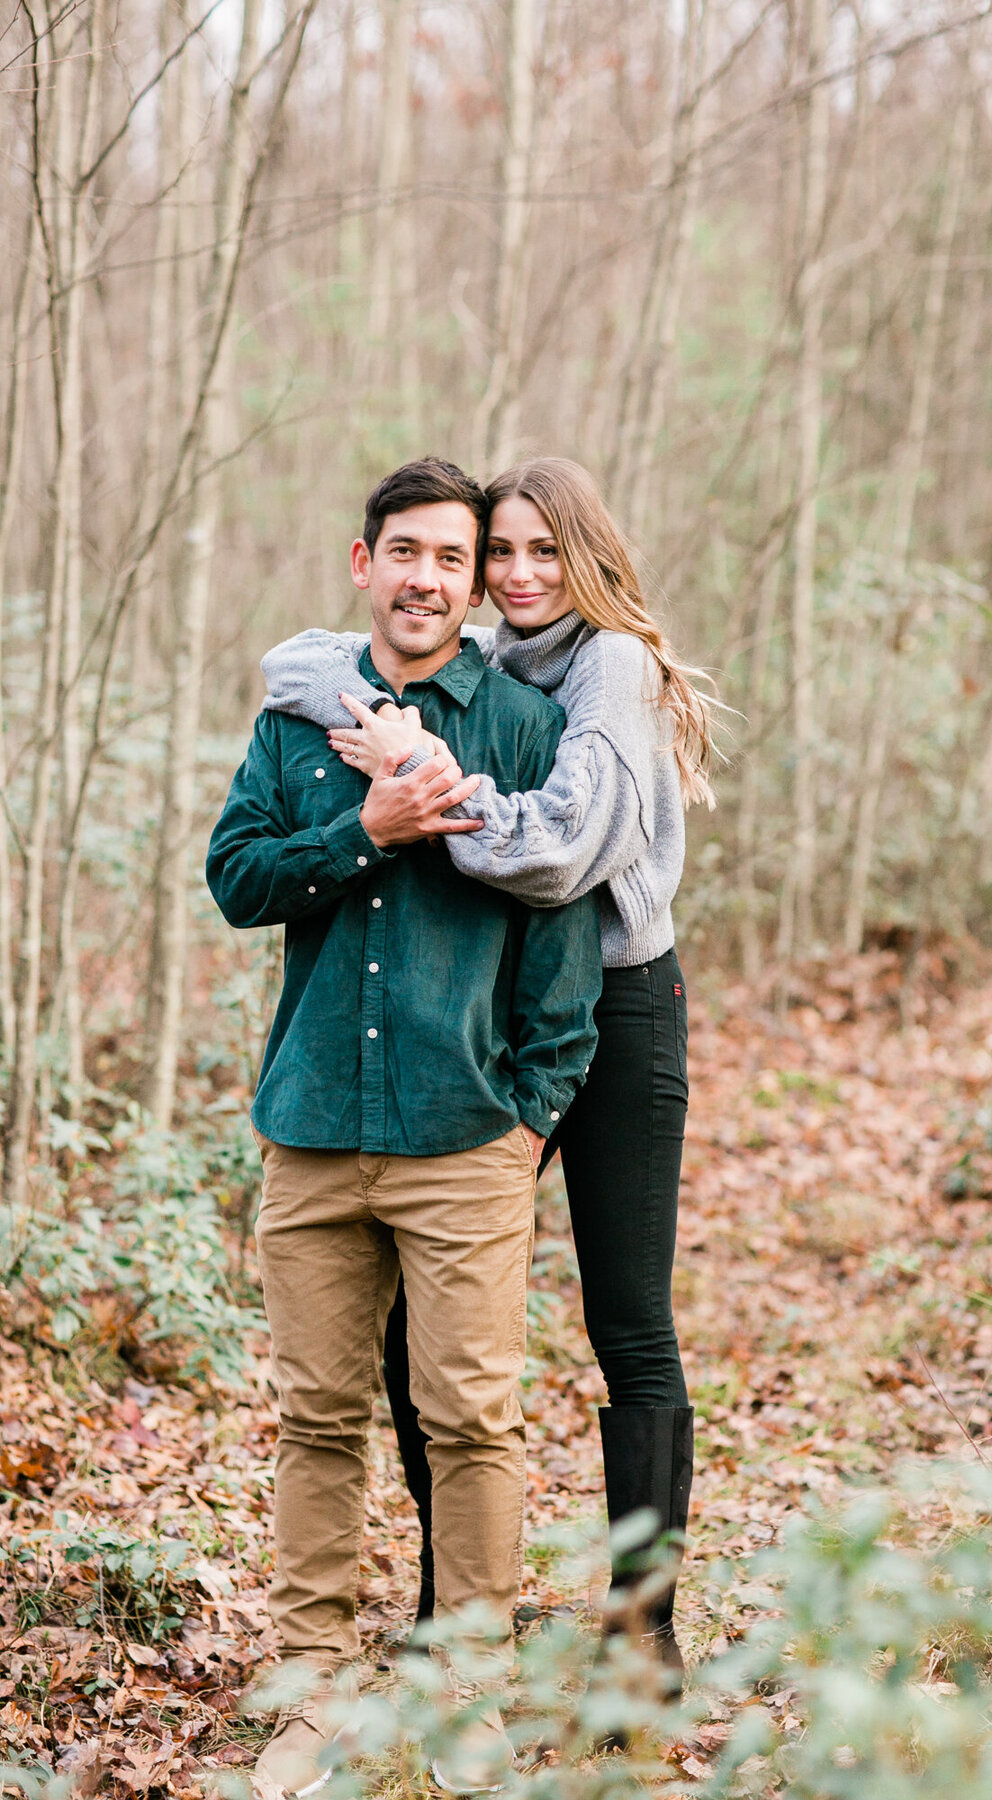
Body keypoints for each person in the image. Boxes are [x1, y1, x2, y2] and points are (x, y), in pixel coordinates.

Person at [261, 456, 719, 1685]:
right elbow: (301, 668)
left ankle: (643, 1636)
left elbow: (564, 852)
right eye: (498, 553)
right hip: (489, 1001)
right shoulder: (498, 658)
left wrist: (434, 784)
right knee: (429, 1325)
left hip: (615, 1003)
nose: (517, 575)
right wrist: (368, 714)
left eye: (540, 552)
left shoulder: (608, 664)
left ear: (587, 557)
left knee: (626, 1321)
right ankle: (448, 1606)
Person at [207, 458, 602, 1799]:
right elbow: (237, 879)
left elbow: (563, 959)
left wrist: (526, 1116)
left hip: (462, 1133)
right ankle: (310, 1700)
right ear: (361, 562)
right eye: (407, 551)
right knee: (317, 1421)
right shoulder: (293, 722)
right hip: (311, 1124)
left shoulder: (520, 731)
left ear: (472, 578)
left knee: (473, 1421)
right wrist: (364, 827)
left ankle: (466, 1702)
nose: (429, 575)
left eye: (453, 556)